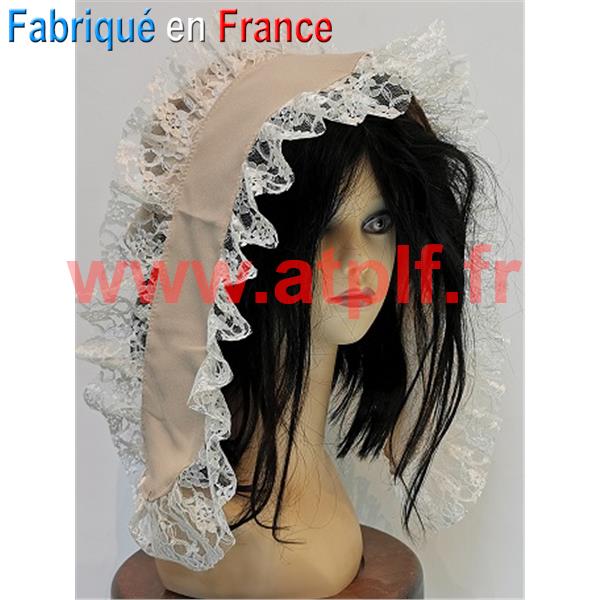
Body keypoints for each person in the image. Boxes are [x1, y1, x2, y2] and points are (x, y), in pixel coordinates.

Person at [77, 22, 504, 599]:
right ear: (241, 251)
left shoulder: (304, 505)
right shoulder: (224, 536)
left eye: (378, 223)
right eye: (321, 229)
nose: (359, 262)